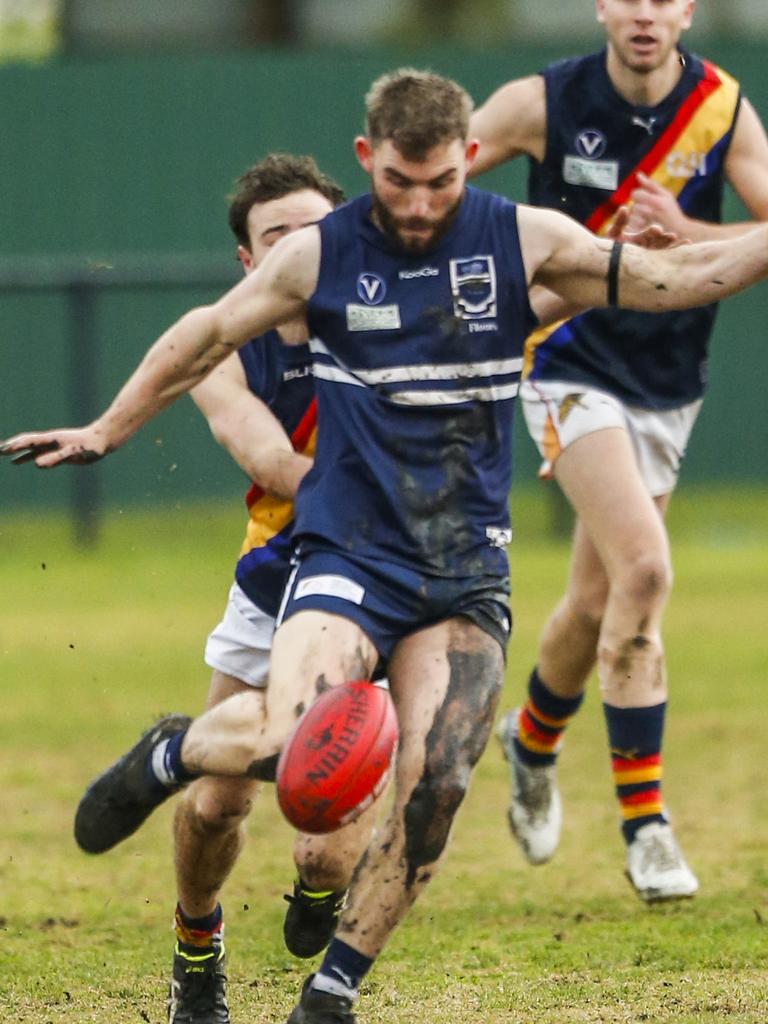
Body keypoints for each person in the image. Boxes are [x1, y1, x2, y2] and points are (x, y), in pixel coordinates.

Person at [3, 68, 768, 1024]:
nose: (419, 205)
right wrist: (107, 430)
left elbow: (674, 279)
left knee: (439, 782)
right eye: (401, 182)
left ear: (470, 160)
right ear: (370, 161)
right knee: (292, 747)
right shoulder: (321, 254)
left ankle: (332, 996)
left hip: (463, 574)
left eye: (442, 183)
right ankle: (176, 752)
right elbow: (204, 336)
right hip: (346, 558)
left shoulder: (524, 242)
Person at [468, 0, 768, 901]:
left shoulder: (723, 107)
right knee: (644, 572)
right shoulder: (542, 102)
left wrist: (687, 234)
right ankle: (648, 830)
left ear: (687, 12)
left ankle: (530, 738)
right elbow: (432, 188)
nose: (644, 13)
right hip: (566, 363)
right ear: (603, 6)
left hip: (670, 384)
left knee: (595, 604)